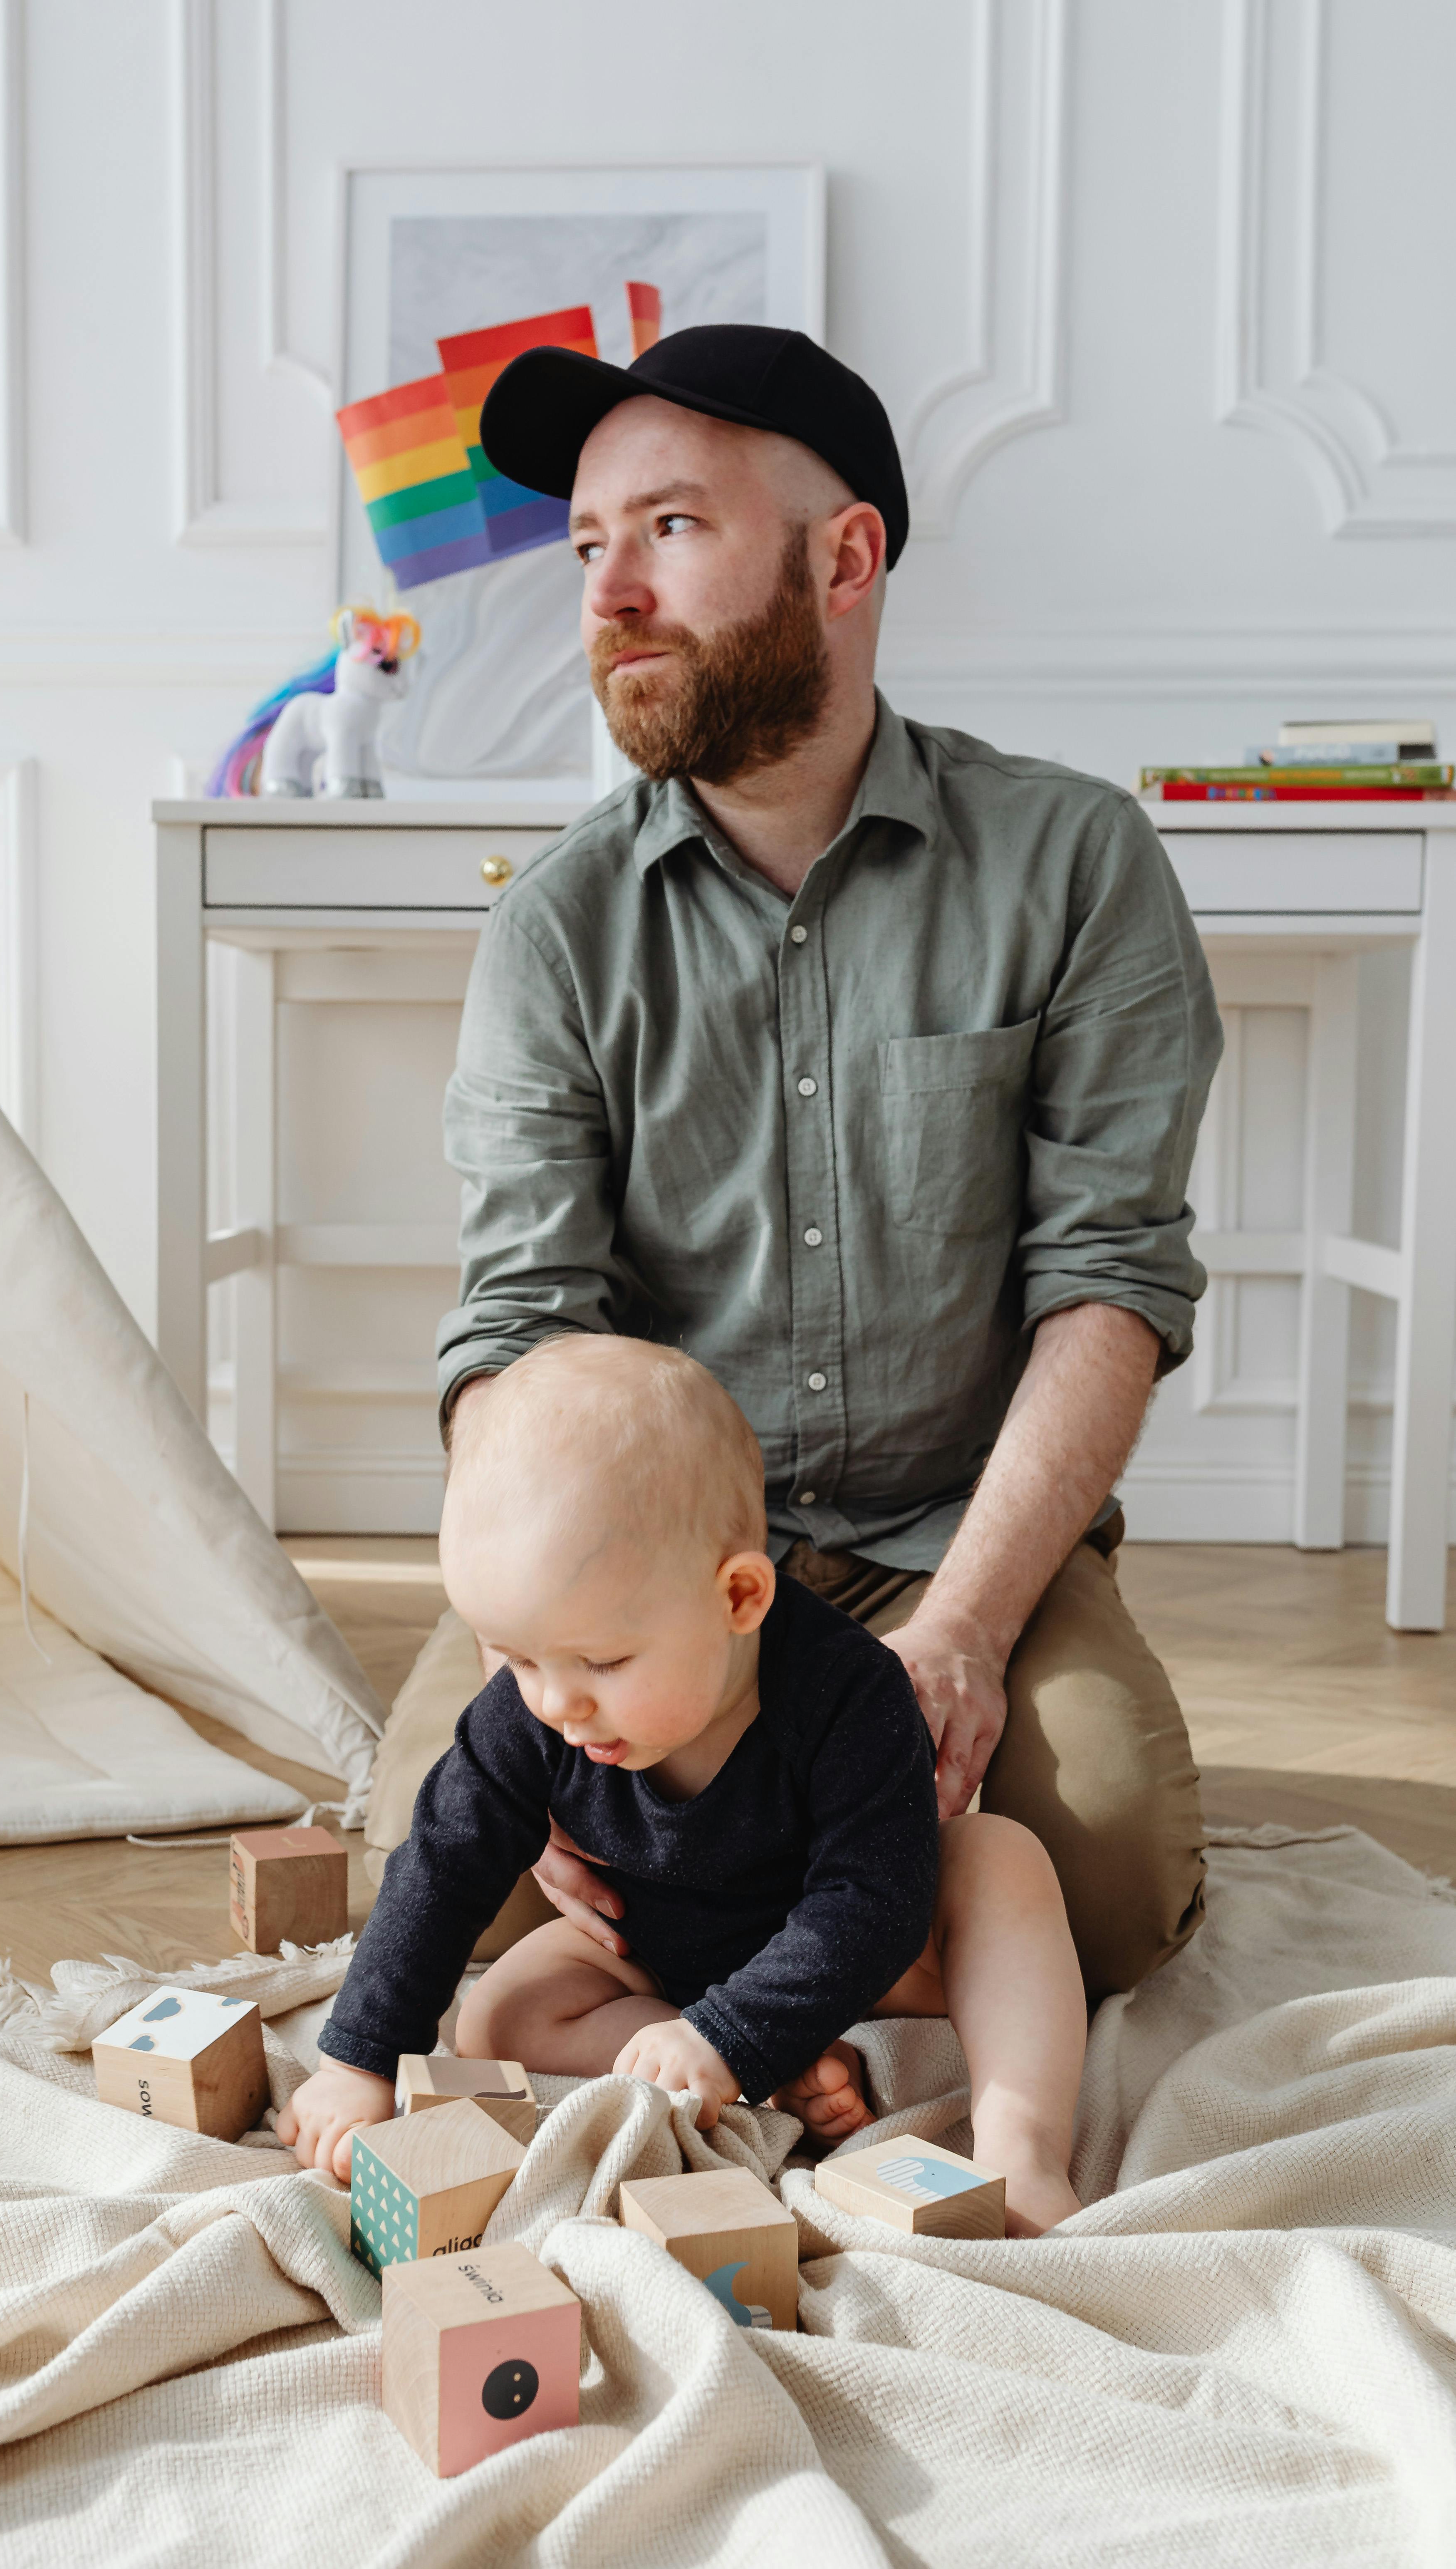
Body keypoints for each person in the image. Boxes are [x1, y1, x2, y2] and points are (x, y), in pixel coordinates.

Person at [362, 322, 1222, 2000]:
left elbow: (1108, 1281)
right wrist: (535, 1661)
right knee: (429, 1881)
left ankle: (792, 1899)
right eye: (591, 545)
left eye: (669, 530)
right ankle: (831, 1915)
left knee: (1107, 1891)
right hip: (640, 1557)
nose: (610, 592)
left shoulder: (1076, 860)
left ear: (844, 558)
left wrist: (965, 1629)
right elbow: (521, 1318)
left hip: (950, 1536)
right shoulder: (556, 925)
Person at [281, 1337, 1088, 2236]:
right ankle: (770, 2064)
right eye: (517, 1658)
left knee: (1001, 1861)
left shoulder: (849, 1692)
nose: (557, 1702)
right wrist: (360, 2058)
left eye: (602, 1660)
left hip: (866, 1954)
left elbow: (876, 1902)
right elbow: (441, 1863)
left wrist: (726, 2033)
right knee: (499, 2015)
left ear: (739, 1597)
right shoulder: (535, 1706)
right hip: (653, 1951)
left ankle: (1021, 2147)